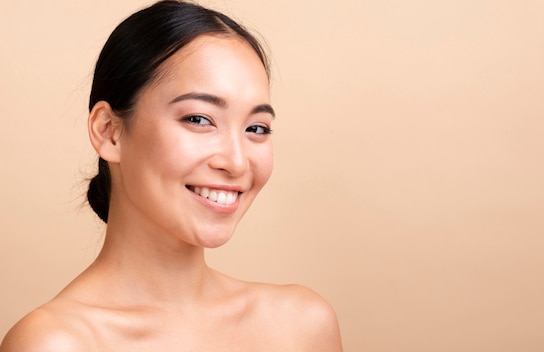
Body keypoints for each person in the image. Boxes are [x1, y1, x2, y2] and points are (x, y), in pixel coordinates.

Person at [0, 1, 342, 351]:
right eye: (198, 119)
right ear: (108, 132)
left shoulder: (302, 326)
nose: (237, 163)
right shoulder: (55, 343)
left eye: (256, 127)